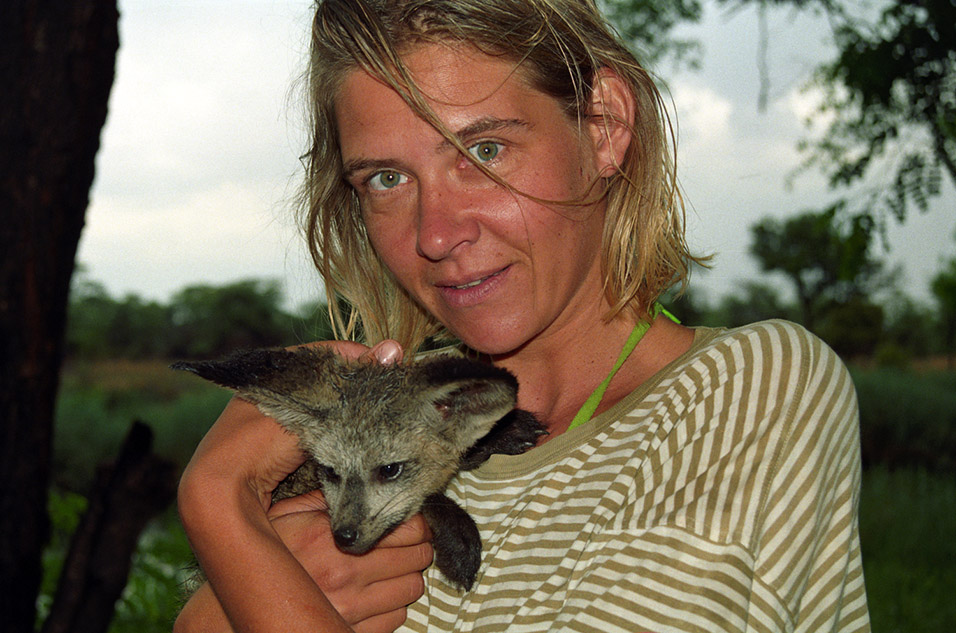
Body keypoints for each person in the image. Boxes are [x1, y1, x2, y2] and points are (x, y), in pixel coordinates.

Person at [175, 0, 871, 631]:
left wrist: (219, 509)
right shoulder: (370, 438)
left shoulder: (748, 389)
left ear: (603, 126)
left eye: (484, 150)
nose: (437, 233)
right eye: (386, 178)